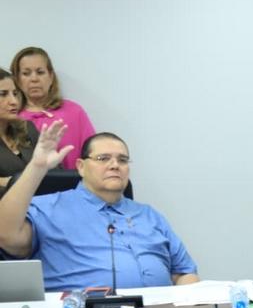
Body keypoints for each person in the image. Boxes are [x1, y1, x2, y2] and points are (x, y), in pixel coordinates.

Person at [0, 124, 199, 291]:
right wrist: (37, 167)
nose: (115, 165)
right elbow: (5, 235)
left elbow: (184, 273)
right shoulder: (49, 208)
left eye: (122, 160)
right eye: (103, 158)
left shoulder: (149, 215)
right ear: (80, 166)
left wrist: (189, 307)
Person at [11, 46, 95, 170]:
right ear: (17, 80)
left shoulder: (74, 112)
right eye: (26, 73)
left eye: (40, 72)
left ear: (51, 76)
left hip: (72, 181)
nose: (34, 79)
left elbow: (93, 153)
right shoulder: (11, 117)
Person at [0, 68, 39, 199]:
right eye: (3, 94)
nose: (14, 101)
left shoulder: (28, 128)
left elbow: (55, 170)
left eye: (15, 94)